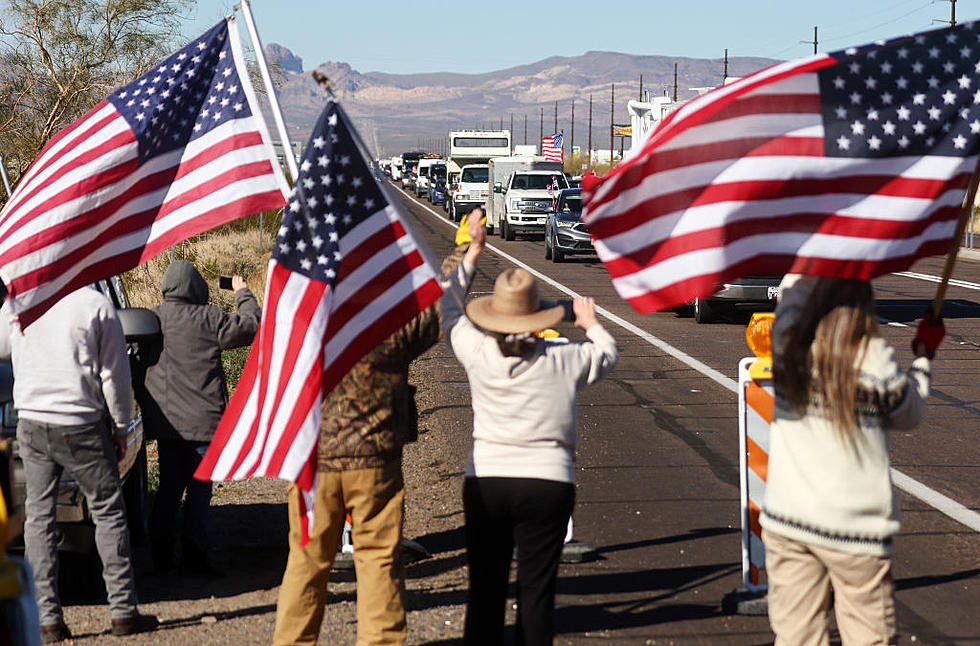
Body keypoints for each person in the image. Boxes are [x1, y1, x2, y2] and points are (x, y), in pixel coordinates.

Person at [272, 242, 468, 646]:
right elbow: (437, 312)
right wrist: (464, 256)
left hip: (314, 459)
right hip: (374, 458)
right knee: (379, 561)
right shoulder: (384, 320)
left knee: (307, 562)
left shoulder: (302, 318)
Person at [440, 214, 618, 645]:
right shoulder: (561, 356)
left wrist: (473, 252)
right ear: (537, 315)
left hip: (488, 480)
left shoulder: (478, 351)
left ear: (494, 315)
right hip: (548, 483)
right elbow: (608, 353)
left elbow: (446, 308)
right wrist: (588, 320)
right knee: (537, 593)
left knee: (485, 590)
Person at [761, 274, 944, 646]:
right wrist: (923, 354)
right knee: (868, 637)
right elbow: (910, 413)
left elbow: (790, 296)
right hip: (856, 533)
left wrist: (812, 254)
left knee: (795, 637)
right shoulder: (874, 361)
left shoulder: (787, 346)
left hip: (787, 521)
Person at [0, 287, 158, 642]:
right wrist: (119, 427)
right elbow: (115, 378)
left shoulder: (22, 300)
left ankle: (48, 619)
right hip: (81, 422)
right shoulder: (95, 304)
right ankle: (122, 610)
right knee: (107, 511)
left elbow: (2, 346)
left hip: (31, 422)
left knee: (38, 517)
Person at [141, 261, 260, 574]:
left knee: (168, 488)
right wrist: (243, 292)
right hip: (205, 425)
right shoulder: (211, 319)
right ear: (198, 288)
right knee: (199, 487)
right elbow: (251, 325)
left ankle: (161, 554)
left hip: (167, 426)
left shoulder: (153, 320)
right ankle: (195, 553)